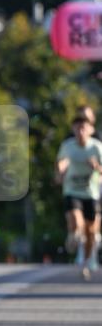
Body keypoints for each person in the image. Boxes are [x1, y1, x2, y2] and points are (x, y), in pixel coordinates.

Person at [55, 112, 102, 280]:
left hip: (91, 193)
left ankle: (86, 262)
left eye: (84, 128)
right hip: (72, 191)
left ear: (90, 129)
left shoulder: (96, 147)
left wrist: (96, 166)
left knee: (91, 233)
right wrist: (60, 169)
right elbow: (60, 163)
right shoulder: (68, 146)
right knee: (76, 218)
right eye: (77, 128)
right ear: (73, 130)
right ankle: (74, 233)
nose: (80, 132)